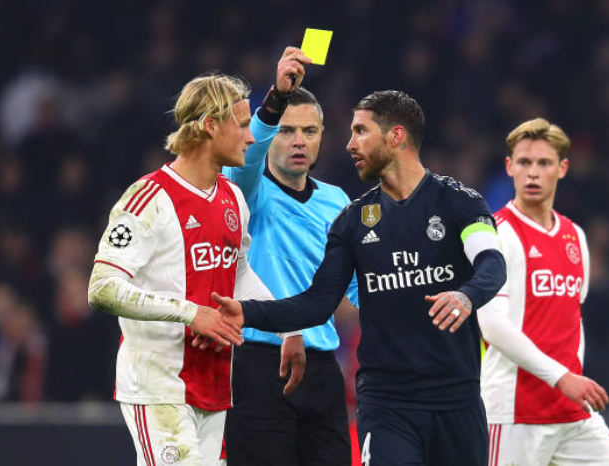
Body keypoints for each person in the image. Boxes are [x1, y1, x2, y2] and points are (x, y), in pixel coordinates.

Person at [209, 90, 507, 466]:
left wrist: (465, 296)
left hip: (455, 396)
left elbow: (492, 263)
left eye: (361, 132)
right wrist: (248, 312)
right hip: (384, 401)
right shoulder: (352, 219)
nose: (349, 144)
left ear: (396, 136)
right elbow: (318, 302)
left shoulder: (460, 203)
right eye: (351, 133)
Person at [87, 51, 308, 466]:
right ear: (210, 125)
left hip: (213, 384)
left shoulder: (233, 198)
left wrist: (288, 328)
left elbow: (236, 272)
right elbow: (102, 288)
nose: (250, 138)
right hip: (158, 387)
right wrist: (192, 313)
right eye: (242, 125)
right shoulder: (148, 199)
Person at [221, 68, 358, 463]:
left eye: (309, 131)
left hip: (322, 365)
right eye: (286, 131)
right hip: (258, 362)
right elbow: (245, 163)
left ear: (322, 137)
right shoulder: (247, 192)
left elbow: (355, 288)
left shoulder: (338, 201)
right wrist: (276, 99)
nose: (299, 140)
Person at [477, 118, 609, 465]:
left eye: (544, 163)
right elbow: (492, 326)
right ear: (509, 167)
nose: (533, 172)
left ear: (562, 169)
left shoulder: (575, 236)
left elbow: (573, 318)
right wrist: (562, 377)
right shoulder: (495, 234)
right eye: (524, 162)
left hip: (572, 409)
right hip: (514, 413)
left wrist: (571, 379)